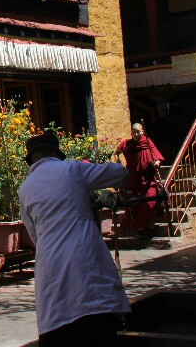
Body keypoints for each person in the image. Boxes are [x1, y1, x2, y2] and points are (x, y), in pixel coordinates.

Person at [18, 131, 130, 346]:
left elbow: (34, 234)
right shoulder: (72, 169)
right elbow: (120, 174)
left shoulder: (25, 189)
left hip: (49, 262)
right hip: (84, 253)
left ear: (31, 159)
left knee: (59, 320)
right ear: (54, 152)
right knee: (94, 317)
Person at [114, 123, 165, 238]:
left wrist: (156, 163)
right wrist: (117, 160)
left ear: (142, 132)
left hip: (147, 179)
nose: (136, 134)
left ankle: (148, 225)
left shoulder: (147, 142)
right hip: (132, 179)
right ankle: (140, 229)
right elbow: (116, 152)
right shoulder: (127, 144)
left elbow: (157, 156)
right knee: (135, 204)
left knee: (149, 201)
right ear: (131, 133)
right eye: (134, 132)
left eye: (138, 132)